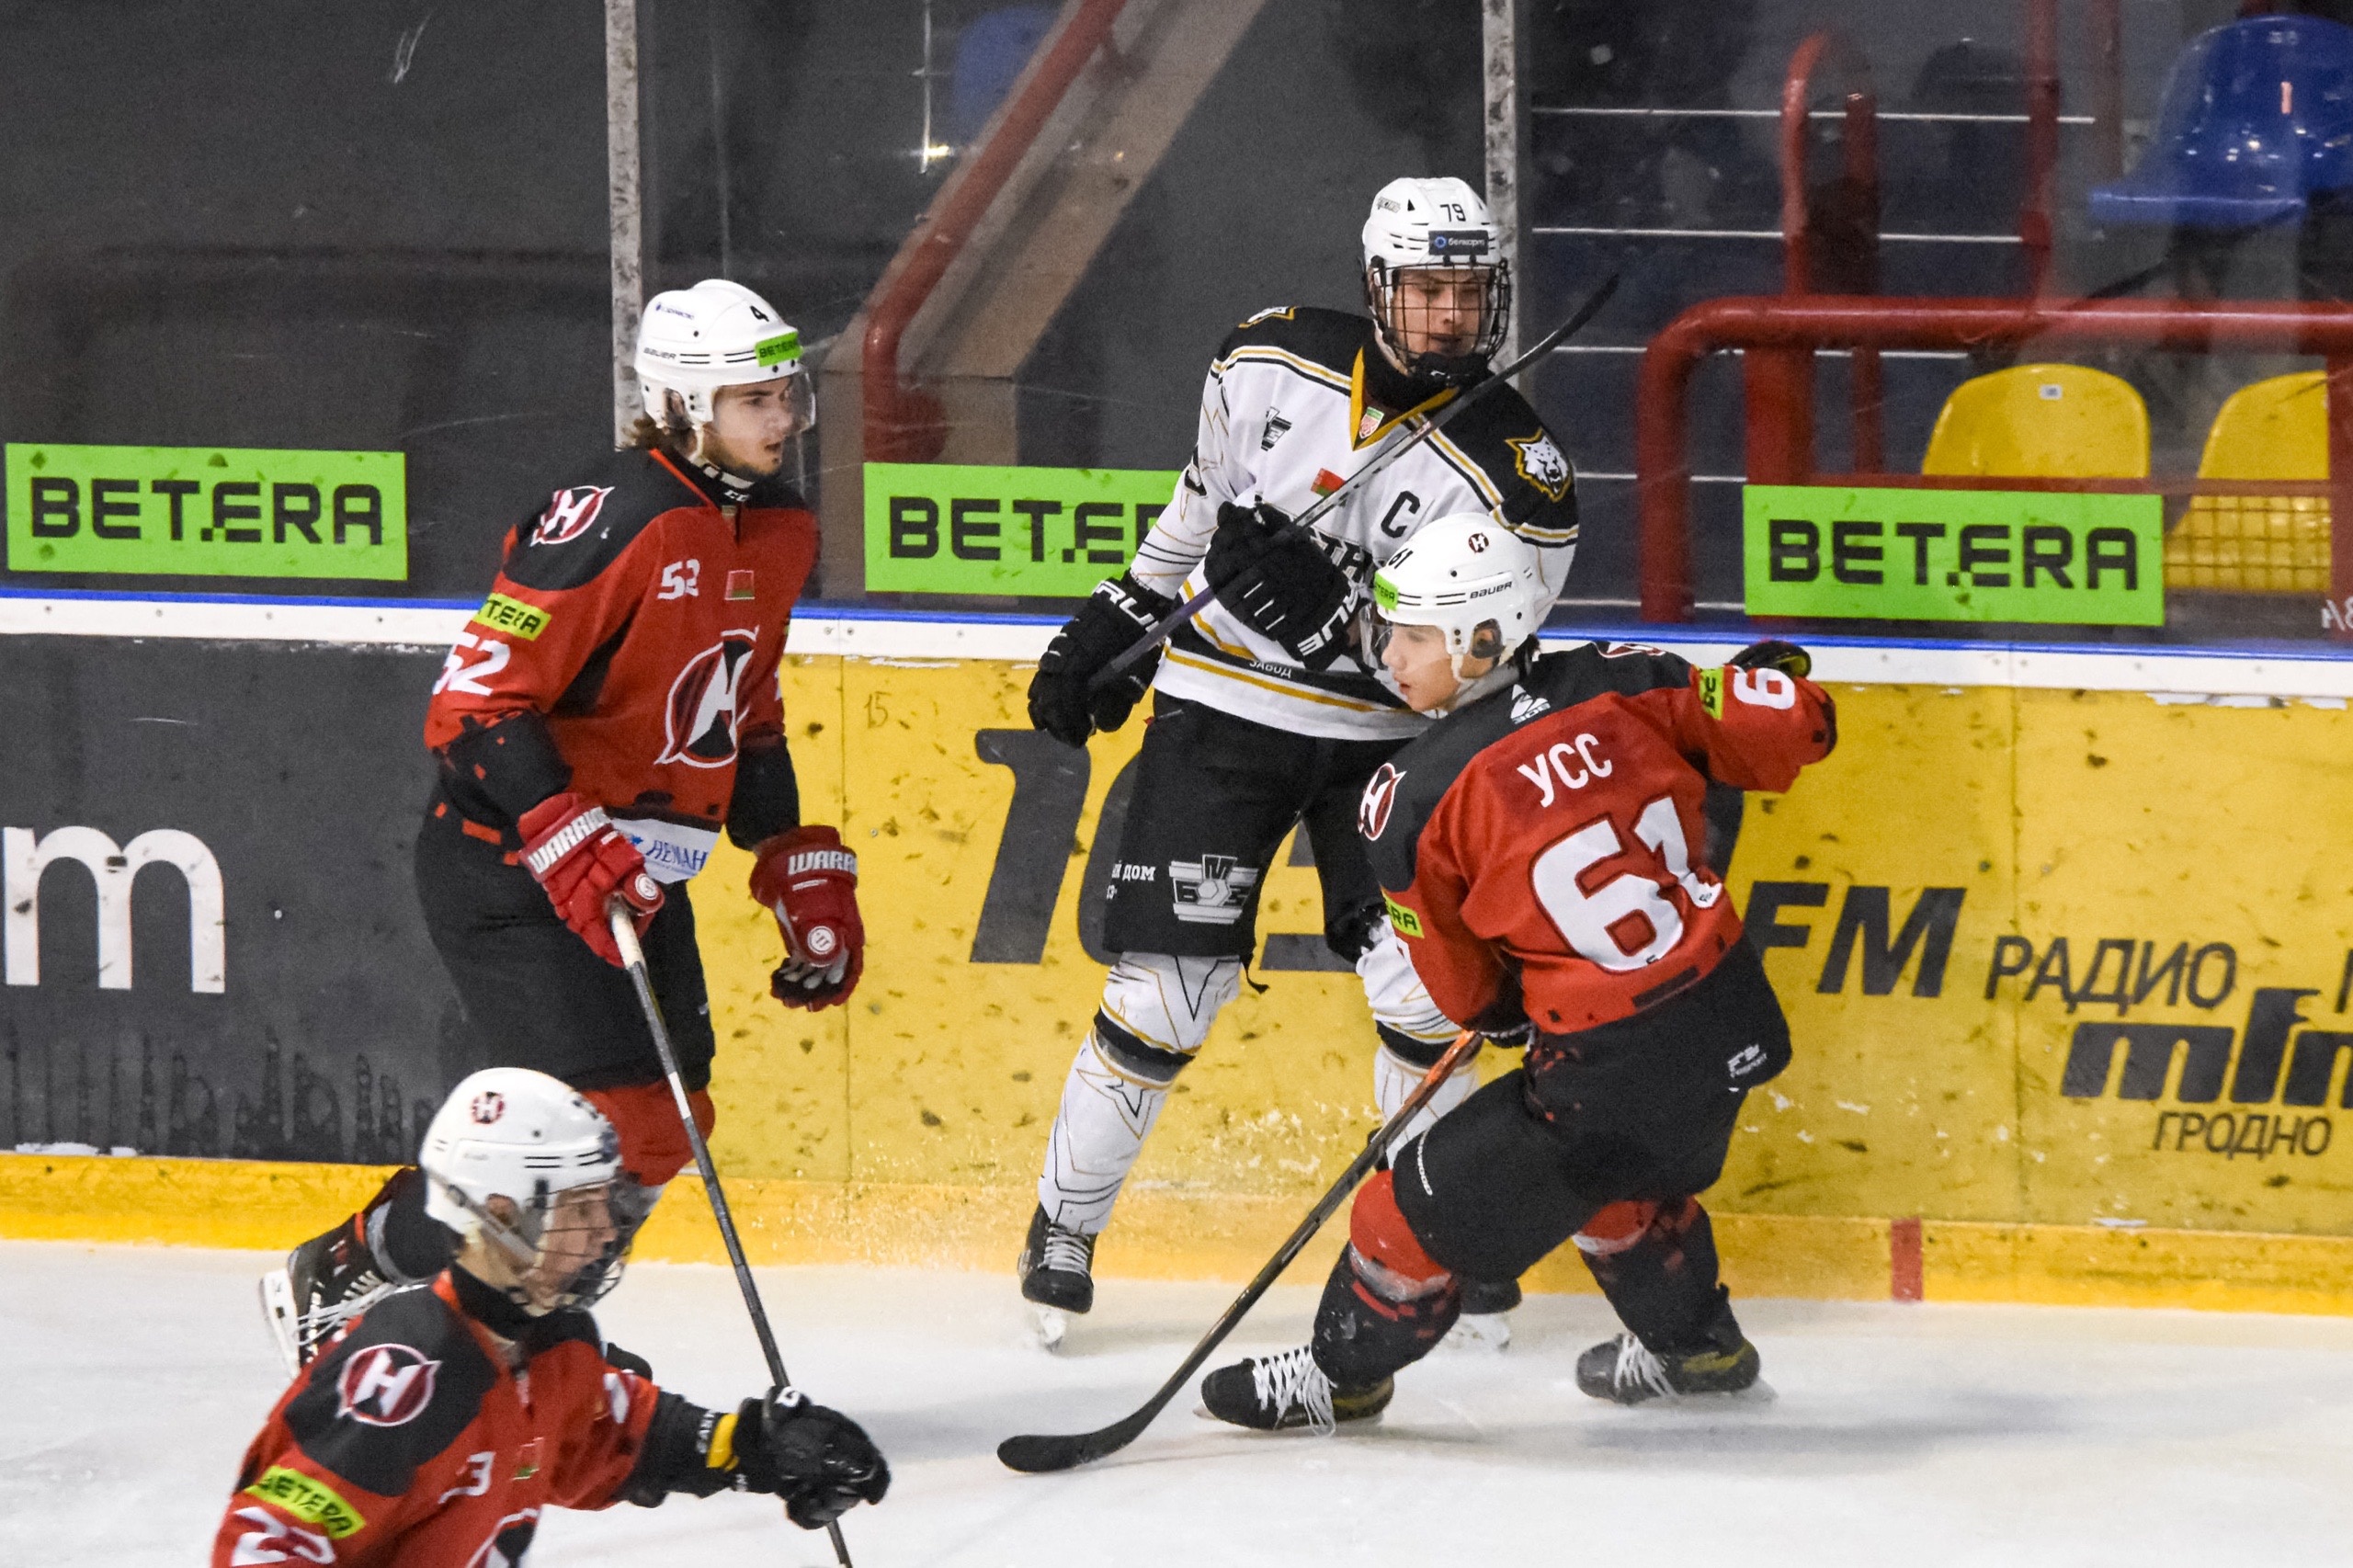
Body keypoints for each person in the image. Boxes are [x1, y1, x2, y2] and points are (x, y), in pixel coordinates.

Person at [1016, 176, 1582, 1346]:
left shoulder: (1520, 479)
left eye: (1467, 291)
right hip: (1221, 707)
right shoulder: (1264, 362)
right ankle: (1062, 1226)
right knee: (1165, 993)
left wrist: (1343, 627)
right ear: (1376, 283)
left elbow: (1476, 671)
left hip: (1389, 743)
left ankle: (1436, 1237)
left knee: (1423, 995)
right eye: (1424, 289)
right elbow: (1200, 506)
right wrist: (1122, 612)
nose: (1449, 315)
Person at [263, 278, 866, 1368]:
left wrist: (785, 848)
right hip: (511, 868)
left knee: (666, 1127)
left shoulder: (780, 527)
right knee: (593, 1130)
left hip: (630, 872)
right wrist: (562, 826)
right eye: (753, 399)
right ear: (680, 406)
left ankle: (505, 1315)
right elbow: (475, 700)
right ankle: (382, 1280)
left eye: (787, 394)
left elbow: (746, 702)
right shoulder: (612, 513)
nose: (782, 417)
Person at [1196, 517, 1836, 1430]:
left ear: (1482, 638)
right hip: (1734, 1016)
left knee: (1395, 1216)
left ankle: (1340, 1380)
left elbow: (1471, 997)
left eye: (1414, 635)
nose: (1390, 655)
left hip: (1607, 1068)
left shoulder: (1408, 799)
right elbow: (1802, 728)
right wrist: (1734, 697)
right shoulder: (1629, 678)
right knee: (1615, 1180)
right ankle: (1701, 1352)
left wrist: (1511, 1010)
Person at [216, 1069, 888, 1564]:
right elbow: (266, 1541)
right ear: (501, 1215)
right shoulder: (409, 1372)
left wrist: (752, 1445)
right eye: (580, 1208)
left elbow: (612, 1434)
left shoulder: (552, 1348)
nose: (606, 1231)